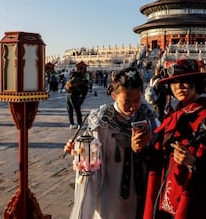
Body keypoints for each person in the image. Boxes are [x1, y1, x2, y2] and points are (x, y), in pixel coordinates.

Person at [142, 58, 206, 219]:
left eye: (185, 81)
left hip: (194, 200)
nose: (179, 87)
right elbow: (158, 158)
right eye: (174, 83)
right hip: (167, 195)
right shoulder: (173, 116)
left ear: (196, 83)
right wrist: (141, 147)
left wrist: (192, 162)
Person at [64, 67, 159, 219]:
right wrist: (78, 150)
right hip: (110, 197)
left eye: (137, 100)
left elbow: (159, 151)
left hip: (140, 193)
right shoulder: (101, 122)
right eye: (126, 101)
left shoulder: (149, 117)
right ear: (114, 96)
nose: (132, 107)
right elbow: (89, 165)